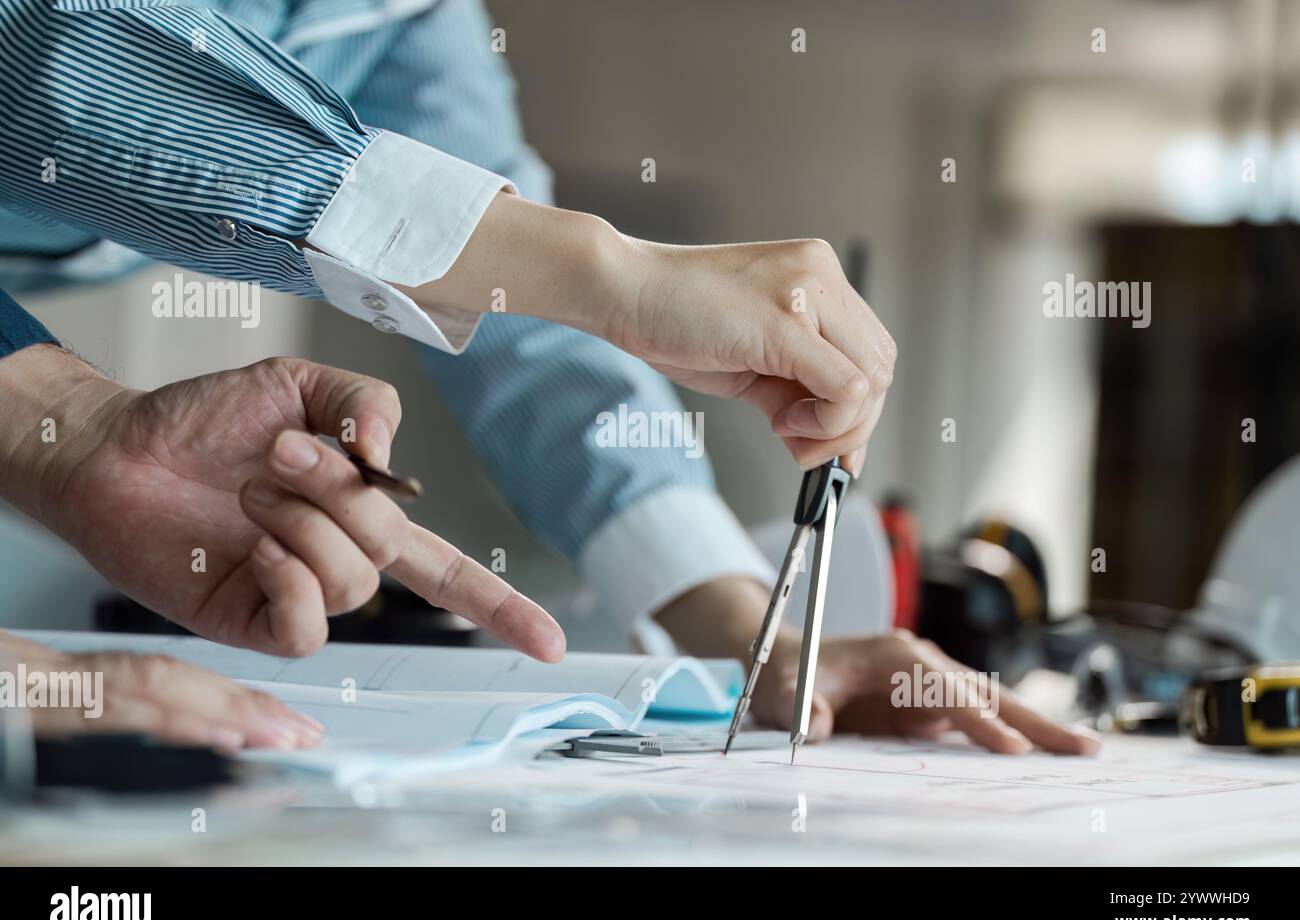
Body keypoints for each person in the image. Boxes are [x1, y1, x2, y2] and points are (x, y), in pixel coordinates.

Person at [0, 0, 1098, 754]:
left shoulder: (412, 21)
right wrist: (594, 266)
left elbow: (530, 337)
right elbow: (52, 57)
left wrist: (732, 631)